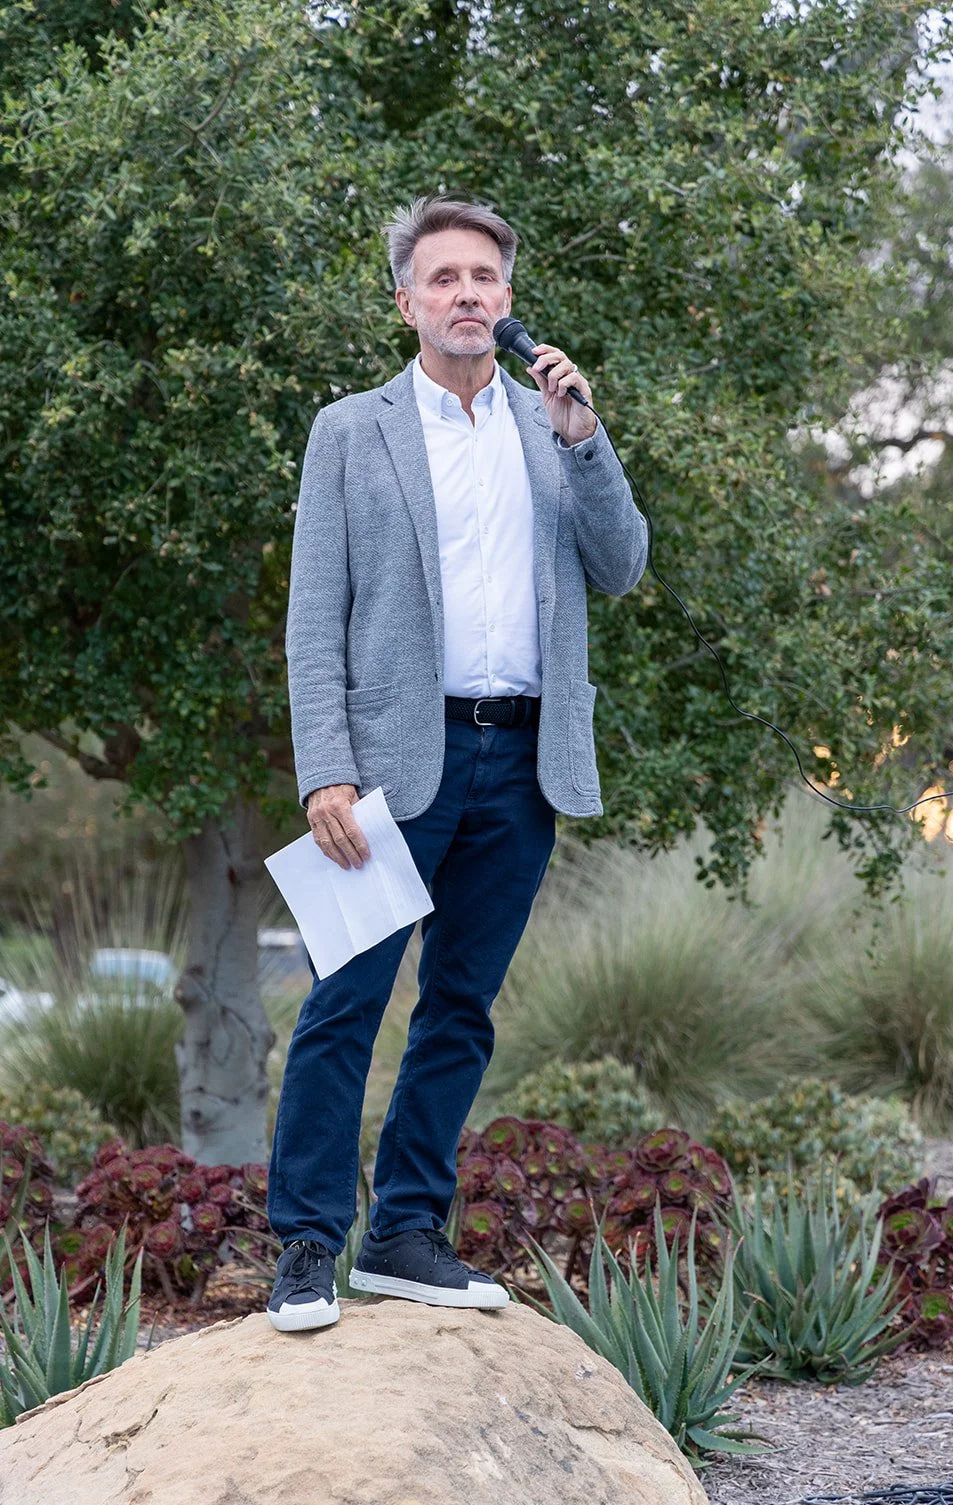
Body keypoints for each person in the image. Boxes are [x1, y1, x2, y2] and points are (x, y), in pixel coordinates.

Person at [265, 194, 647, 1332]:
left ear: (508, 298)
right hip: (386, 769)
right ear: (405, 301)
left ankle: (403, 1234)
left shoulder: (552, 427)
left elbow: (620, 565)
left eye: (483, 276)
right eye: (443, 278)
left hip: (520, 759)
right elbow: (311, 613)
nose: (466, 294)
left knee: (461, 1008)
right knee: (343, 1003)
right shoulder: (351, 430)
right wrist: (322, 768)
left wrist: (587, 438)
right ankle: (303, 1246)